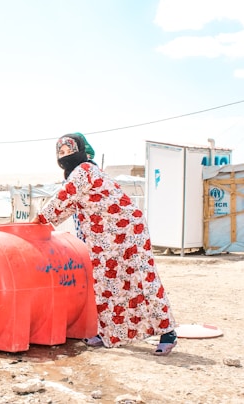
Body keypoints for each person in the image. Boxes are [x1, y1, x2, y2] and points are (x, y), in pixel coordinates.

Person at [32, 134, 178, 355]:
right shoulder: (77, 176)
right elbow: (71, 206)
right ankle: (109, 332)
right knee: (105, 284)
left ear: (81, 151)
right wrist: (45, 223)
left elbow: (63, 198)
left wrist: (40, 218)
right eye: (60, 153)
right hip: (103, 239)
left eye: (69, 151)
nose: (64, 156)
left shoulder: (85, 170)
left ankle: (168, 332)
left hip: (128, 231)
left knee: (142, 279)